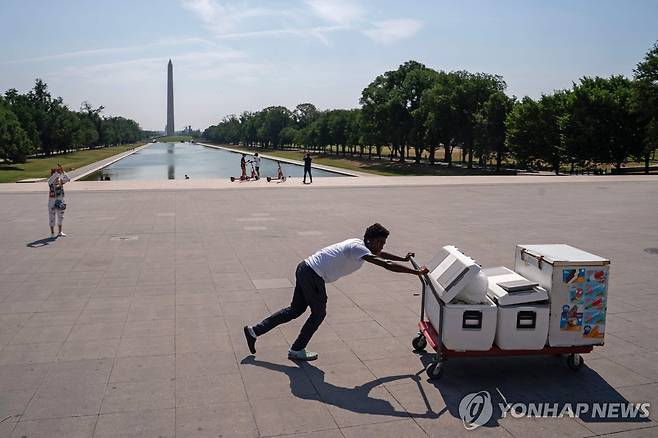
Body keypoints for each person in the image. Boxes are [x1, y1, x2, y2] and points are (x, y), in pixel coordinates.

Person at [243, 223, 429, 360]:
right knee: (318, 313)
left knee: (295, 310)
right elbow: (385, 264)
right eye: (380, 242)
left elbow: (381, 255)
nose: (382, 246)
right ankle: (297, 349)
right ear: (370, 240)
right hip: (313, 275)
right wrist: (415, 272)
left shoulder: (361, 245)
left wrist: (404, 260)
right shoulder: (358, 248)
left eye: (384, 243)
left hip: (305, 268)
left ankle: (254, 331)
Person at [47, 166, 70, 238]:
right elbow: (53, 177)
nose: (58, 174)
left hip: (60, 200)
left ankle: (60, 232)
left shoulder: (60, 181)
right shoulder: (50, 181)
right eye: (56, 172)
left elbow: (68, 179)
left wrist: (63, 172)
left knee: (61, 216)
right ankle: (52, 233)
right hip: (52, 201)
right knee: (52, 217)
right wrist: (57, 172)